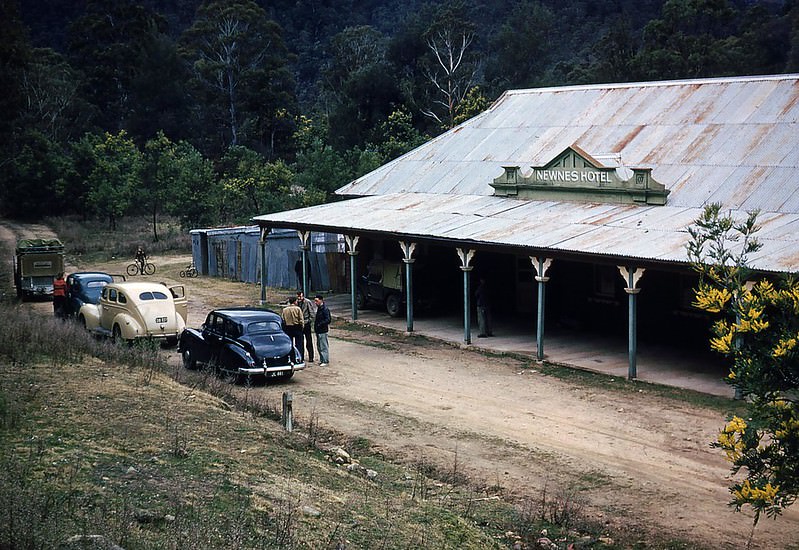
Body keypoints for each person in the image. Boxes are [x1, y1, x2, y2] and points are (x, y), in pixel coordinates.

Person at [281, 296, 305, 362]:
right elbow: (301, 319)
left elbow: (283, 320)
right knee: (299, 344)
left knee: (290, 344)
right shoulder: (298, 309)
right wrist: (302, 326)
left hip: (288, 327)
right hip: (297, 327)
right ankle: (300, 358)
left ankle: (291, 358)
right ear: (294, 302)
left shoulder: (285, 310)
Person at [297, 290, 316, 363]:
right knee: (300, 341)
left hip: (306, 322)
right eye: (298, 297)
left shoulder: (307, 302)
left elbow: (312, 312)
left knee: (309, 340)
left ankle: (311, 357)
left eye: (300, 296)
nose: (299, 298)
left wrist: (309, 320)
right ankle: (300, 356)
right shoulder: (296, 302)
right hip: (299, 324)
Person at [313, 294, 331, 366]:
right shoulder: (319, 308)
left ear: (321, 300)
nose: (315, 302)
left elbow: (328, 320)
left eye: (316, 301)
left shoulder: (325, 309)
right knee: (319, 346)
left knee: (323, 346)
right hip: (318, 330)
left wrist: (320, 324)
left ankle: (325, 361)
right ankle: (322, 359)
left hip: (323, 330)